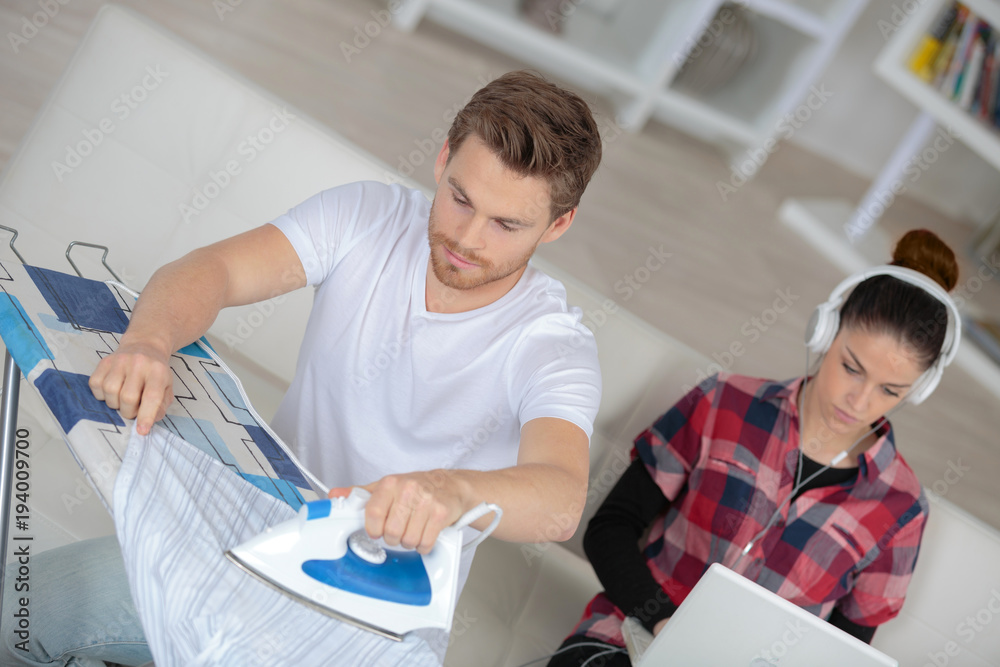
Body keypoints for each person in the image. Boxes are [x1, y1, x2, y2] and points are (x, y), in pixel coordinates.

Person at [1, 70, 604, 666]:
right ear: (443, 158)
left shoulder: (552, 345)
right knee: (22, 612)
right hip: (245, 533)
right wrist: (150, 341)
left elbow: (560, 498)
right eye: (461, 197)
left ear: (558, 224)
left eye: (506, 225)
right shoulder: (367, 217)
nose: (467, 238)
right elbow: (215, 271)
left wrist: (452, 490)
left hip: (363, 621)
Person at [548, 229, 959, 666]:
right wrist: (668, 625)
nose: (860, 402)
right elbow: (610, 528)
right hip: (630, 640)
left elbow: (846, 645)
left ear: (918, 390)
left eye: (890, 391)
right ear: (824, 333)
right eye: (851, 368)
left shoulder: (902, 508)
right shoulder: (723, 402)